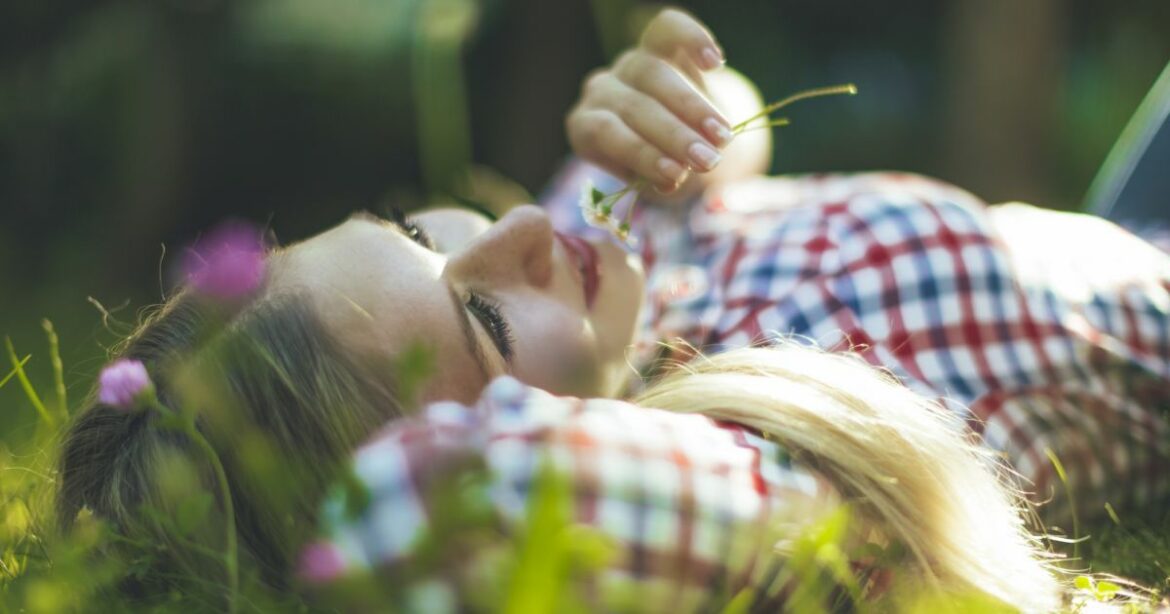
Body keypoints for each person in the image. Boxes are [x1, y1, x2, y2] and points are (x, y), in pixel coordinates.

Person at [56, 8, 1168, 611]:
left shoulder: (590, 270)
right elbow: (437, 511)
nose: (515, 235)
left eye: (409, 230)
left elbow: (730, 145)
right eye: (484, 322)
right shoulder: (763, 443)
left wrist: (679, 94)